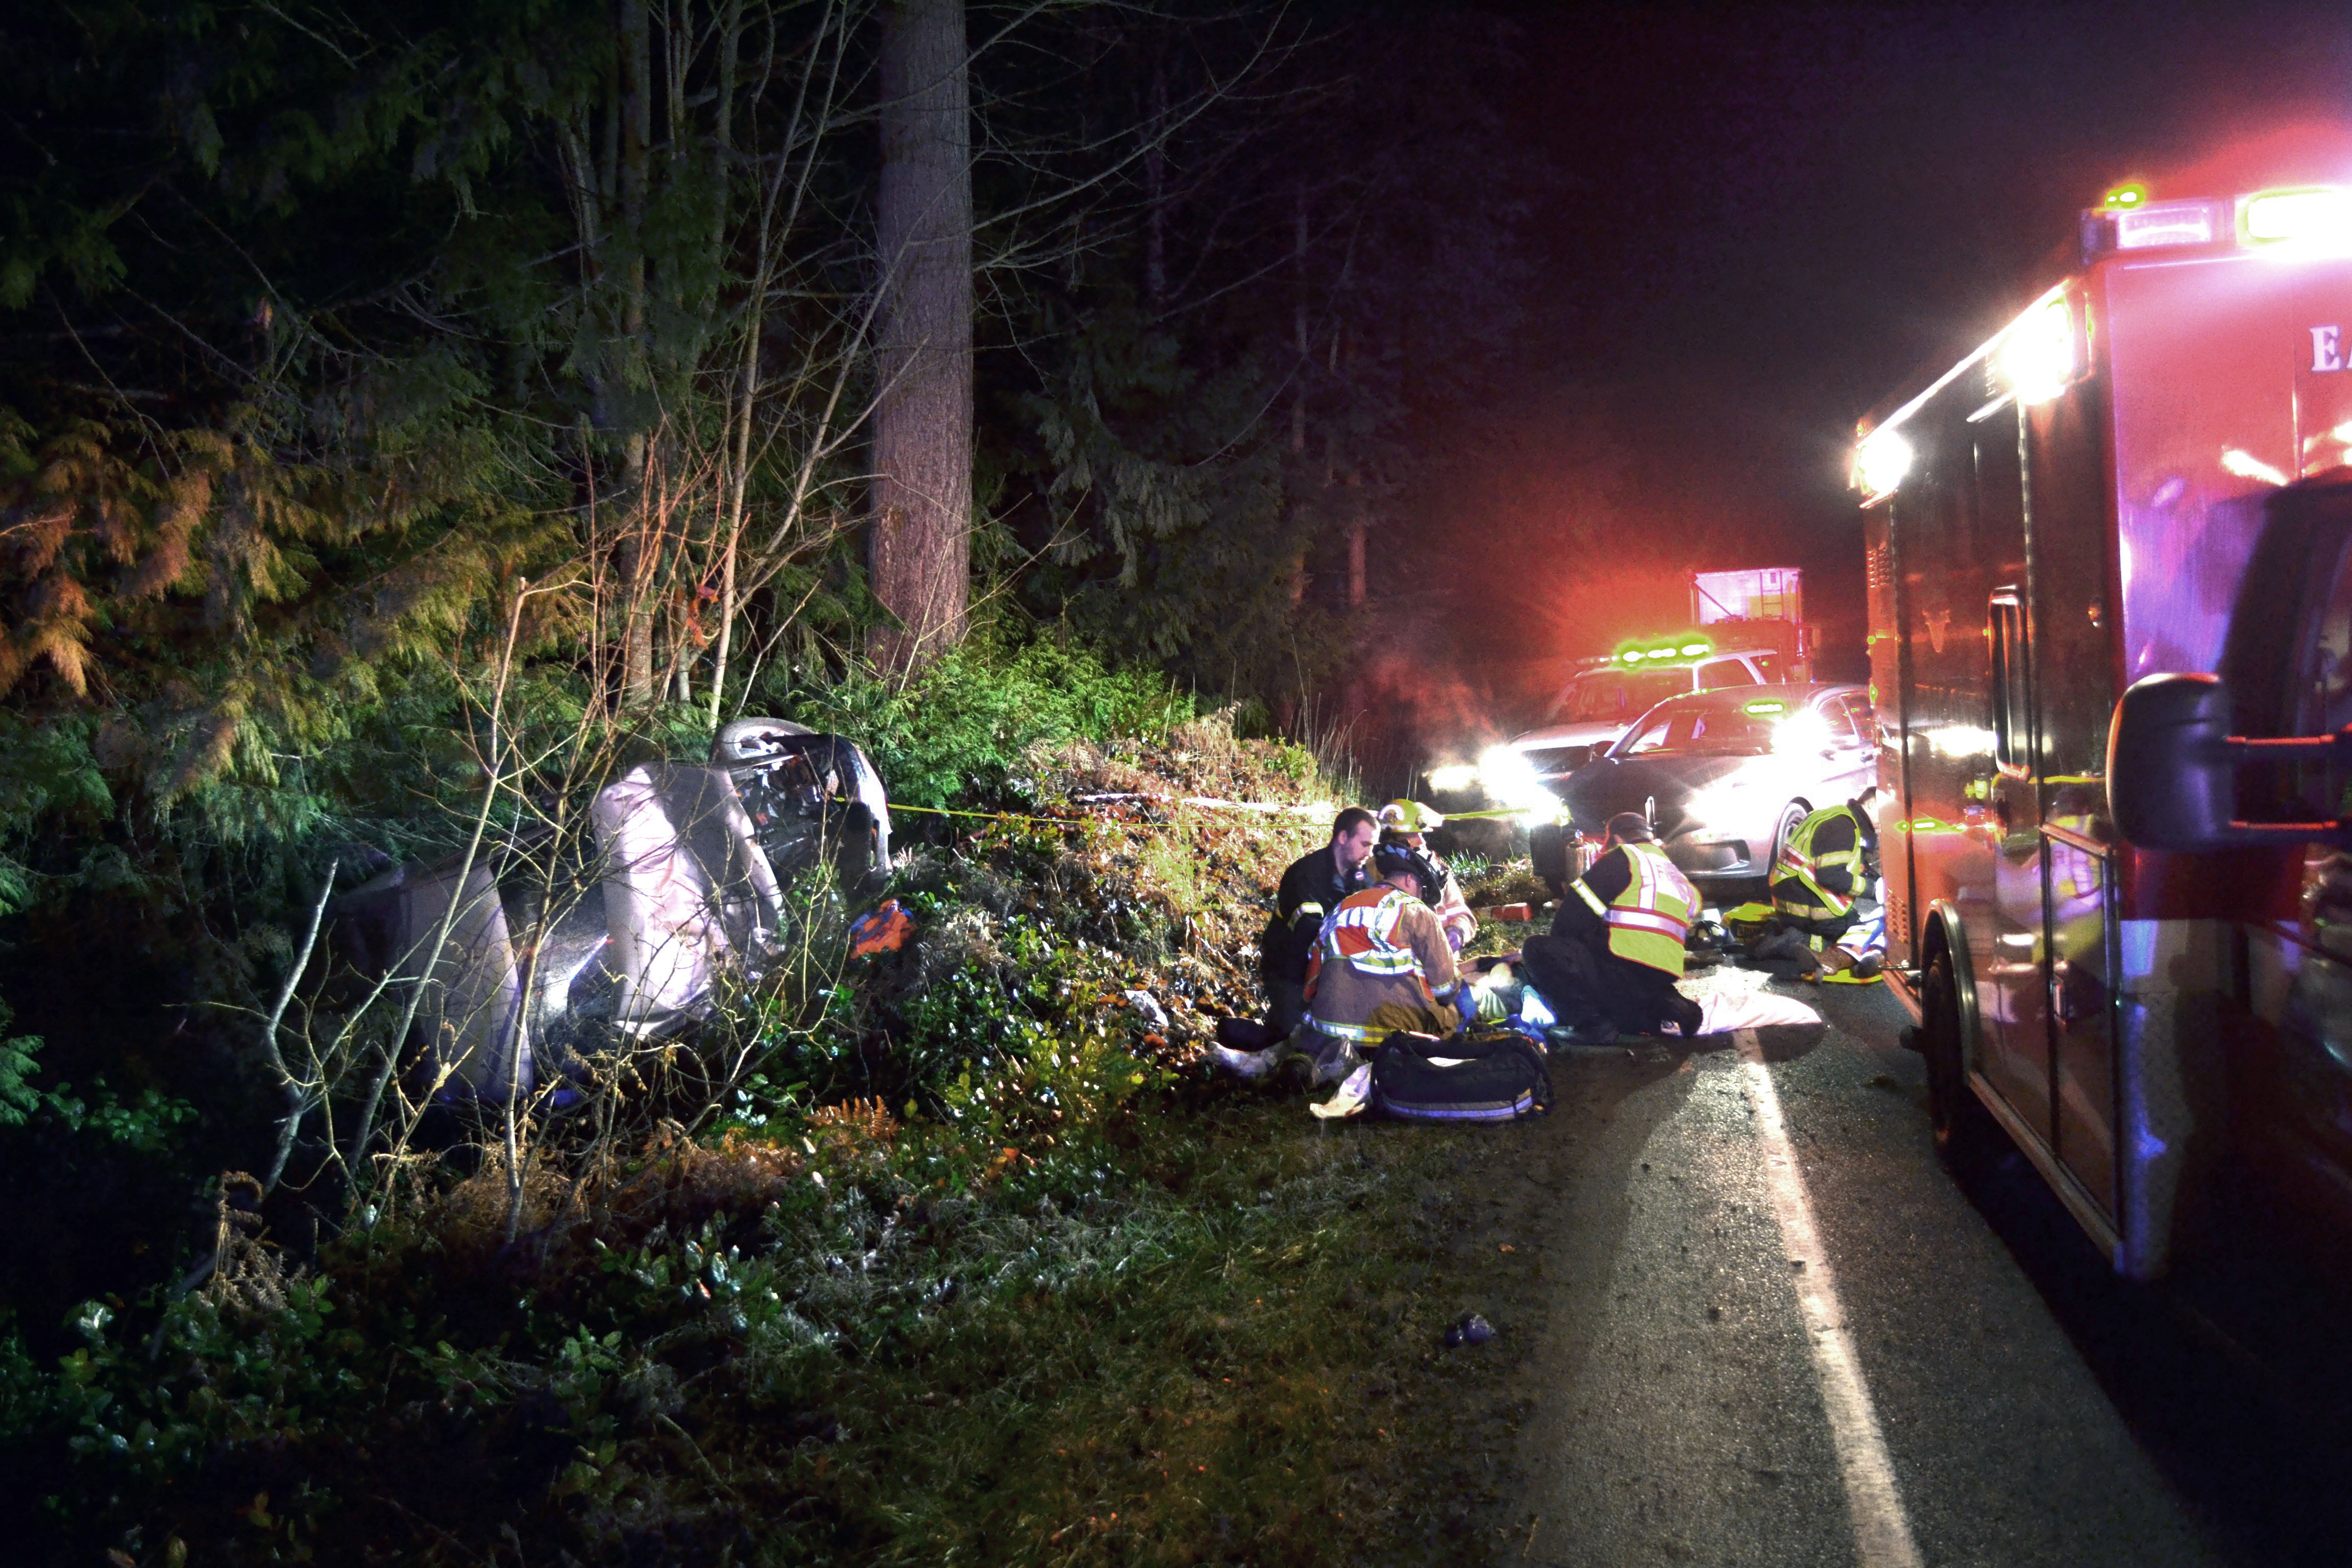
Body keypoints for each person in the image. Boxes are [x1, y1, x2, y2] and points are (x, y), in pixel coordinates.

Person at [1518, 812, 1704, 1040]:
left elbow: (1570, 922)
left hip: (1624, 967)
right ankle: (1668, 1003)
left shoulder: (1622, 858)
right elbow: (1690, 910)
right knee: (1625, 1007)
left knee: (1538, 949)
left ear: (1616, 839)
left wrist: (1561, 964)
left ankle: (1591, 1026)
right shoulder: (1674, 874)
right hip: (1662, 975)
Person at [1294, 840, 1466, 1079]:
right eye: (1423, 889)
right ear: (1409, 880)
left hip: (1328, 1034)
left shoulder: (1340, 908)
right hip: (1392, 1040)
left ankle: (1308, 1063)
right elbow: (1446, 990)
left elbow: (1311, 983)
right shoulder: (1417, 912)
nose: (1423, 897)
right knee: (1463, 1001)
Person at [1256, 806, 1379, 1040]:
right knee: (1288, 1037)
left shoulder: (1362, 879)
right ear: (1343, 838)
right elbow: (1310, 931)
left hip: (1335, 973)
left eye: (1373, 846)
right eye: (1365, 844)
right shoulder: (1304, 875)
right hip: (1291, 973)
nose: (1370, 853)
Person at [1756, 791, 1883, 977]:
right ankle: (1795, 942)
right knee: (1858, 931)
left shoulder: (1833, 816)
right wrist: (1873, 890)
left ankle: (1784, 935)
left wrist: (1873, 879)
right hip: (1804, 906)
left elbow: (1843, 865)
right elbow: (1831, 876)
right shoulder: (1845, 827)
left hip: (1790, 900)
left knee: (1852, 923)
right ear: (1871, 803)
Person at [1377, 799, 1477, 952]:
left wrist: (1458, 931)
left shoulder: (1438, 871)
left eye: (1421, 834)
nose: (1422, 841)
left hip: (1441, 963)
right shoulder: (1372, 873)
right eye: (1413, 835)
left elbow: (1463, 914)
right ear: (1392, 841)